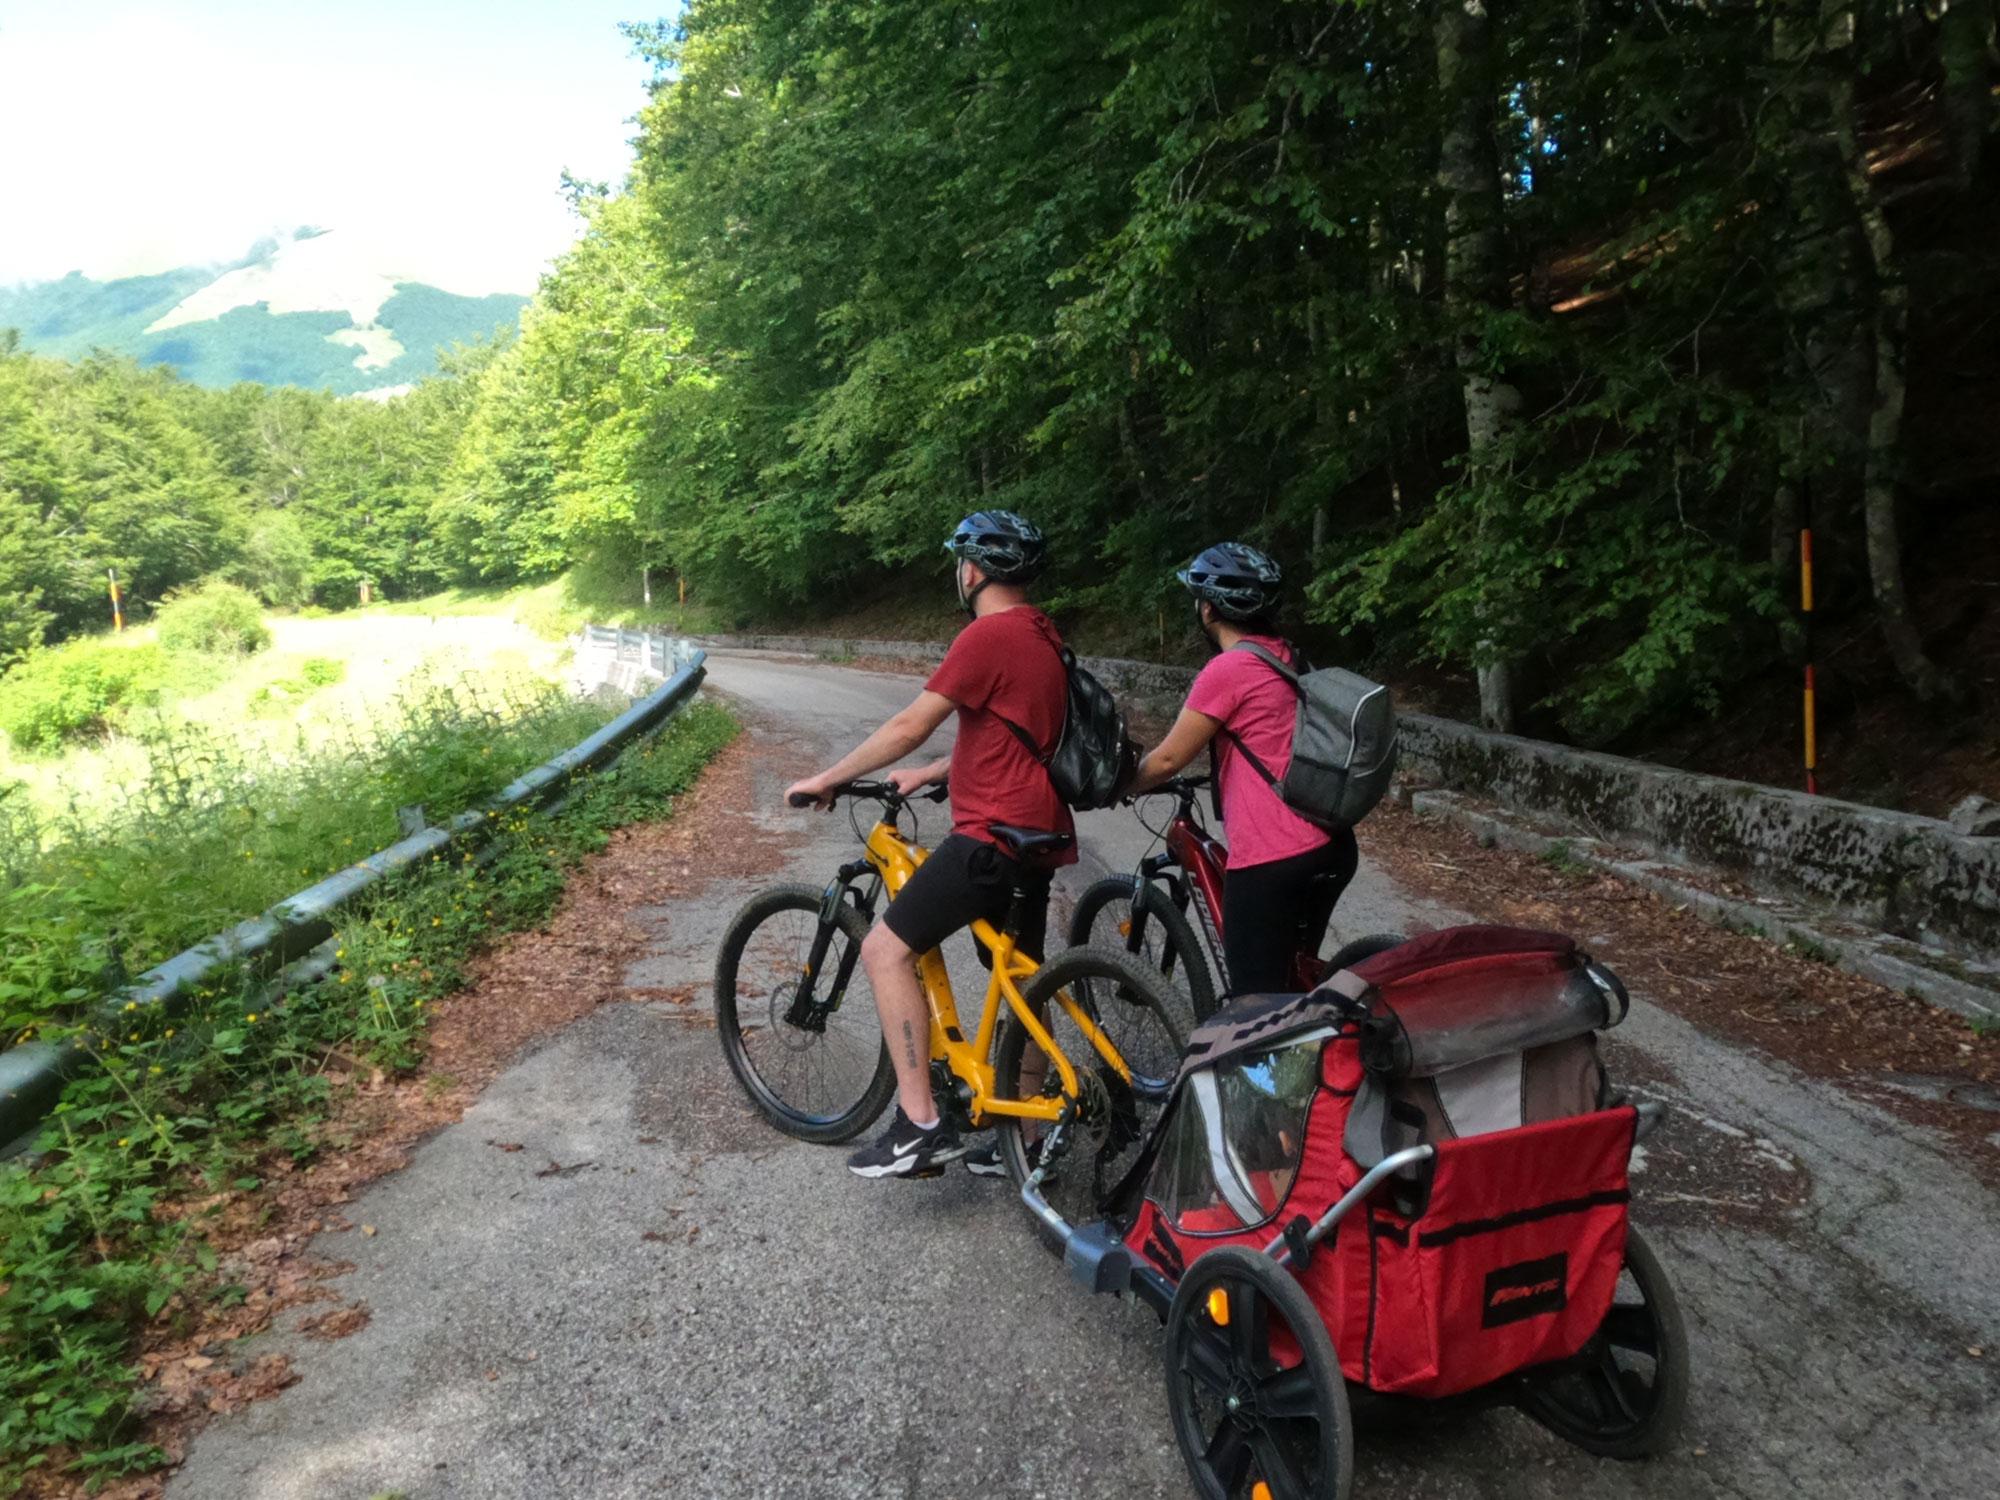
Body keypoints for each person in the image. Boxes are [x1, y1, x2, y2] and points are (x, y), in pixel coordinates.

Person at [784, 511, 1075, 1179]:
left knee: (885, 948)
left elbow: (913, 722)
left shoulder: (987, 635)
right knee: (1021, 977)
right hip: (1040, 831)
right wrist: (935, 774)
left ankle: (919, 1127)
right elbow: (1013, 733)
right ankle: (1029, 1137)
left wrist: (831, 778)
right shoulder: (1044, 636)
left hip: (990, 835)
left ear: (972, 570)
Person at [1125, 541, 1359, 995]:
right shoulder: (1288, 656)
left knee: (1254, 1000)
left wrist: (1124, 783)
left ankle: (1273, 1059)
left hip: (1274, 859)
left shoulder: (1228, 669)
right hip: (1331, 841)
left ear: (1208, 609)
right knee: (1292, 975)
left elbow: (1171, 758)